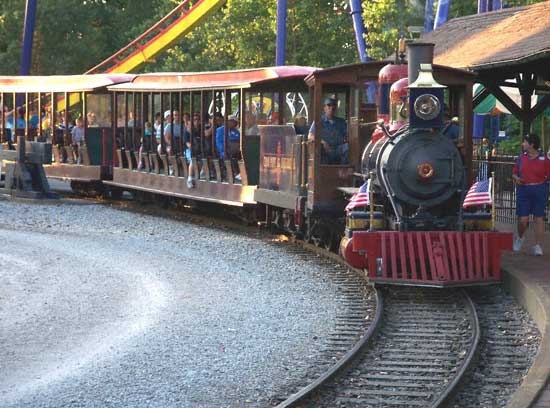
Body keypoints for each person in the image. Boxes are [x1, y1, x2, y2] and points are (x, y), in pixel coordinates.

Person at [512, 133, 550, 256]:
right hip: (524, 190)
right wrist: (517, 178)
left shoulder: (545, 160)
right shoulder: (521, 158)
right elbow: (514, 173)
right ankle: (520, 237)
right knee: (523, 219)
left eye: (525, 142)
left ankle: (537, 245)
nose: (523, 144)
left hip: (539, 190)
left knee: (539, 218)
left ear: (531, 144)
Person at [308, 97, 349, 164]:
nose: (331, 108)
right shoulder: (318, 121)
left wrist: (346, 140)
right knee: (319, 150)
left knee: (348, 147)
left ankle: (342, 170)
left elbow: (347, 136)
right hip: (325, 151)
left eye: (334, 105)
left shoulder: (341, 121)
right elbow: (310, 136)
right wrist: (323, 143)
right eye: (329, 105)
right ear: (324, 107)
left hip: (338, 149)